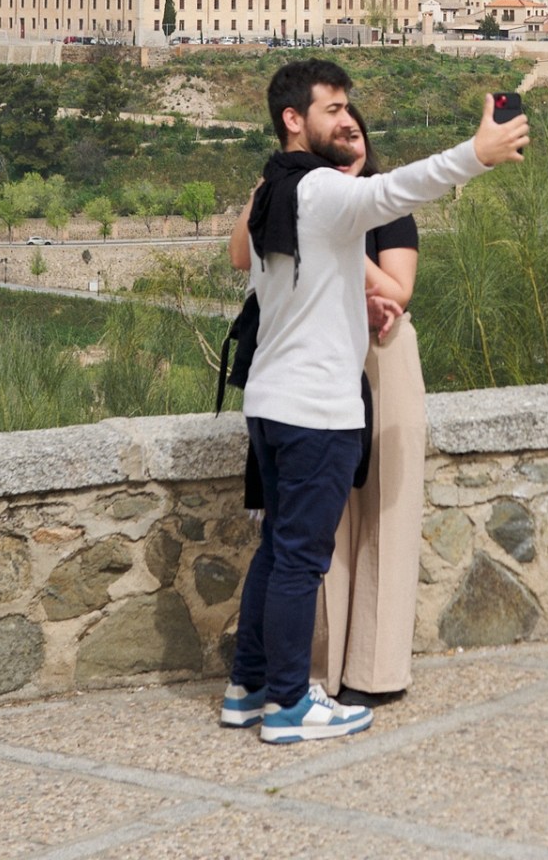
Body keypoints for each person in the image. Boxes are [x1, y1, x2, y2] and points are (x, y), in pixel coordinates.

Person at [221, 60, 526, 745]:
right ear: (294, 120)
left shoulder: (273, 187)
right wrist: (476, 154)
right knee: (301, 558)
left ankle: (249, 685)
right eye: (332, 108)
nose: (345, 118)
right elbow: (397, 189)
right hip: (314, 406)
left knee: (276, 547)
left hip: (271, 399)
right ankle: (291, 705)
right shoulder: (321, 190)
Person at [231, 103, 427, 706]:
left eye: (358, 132)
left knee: (384, 520)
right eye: (338, 132)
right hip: (310, 371)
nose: (352, 141)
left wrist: (337, 233)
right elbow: (241, 254)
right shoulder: (291, 195)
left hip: (380, 357)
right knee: (311, 533)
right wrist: (278, 187)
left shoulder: (381, 206)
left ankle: (373, 670)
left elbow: (397, 290)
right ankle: (313, 675)